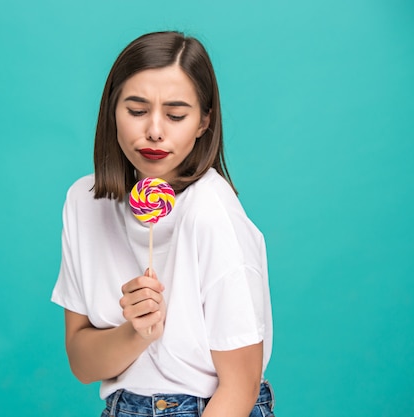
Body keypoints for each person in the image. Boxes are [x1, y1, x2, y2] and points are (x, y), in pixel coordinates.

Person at [51, 31, 274, 417]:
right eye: (137, 111)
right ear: (111, 111)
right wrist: (136, 331)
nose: (155, 130)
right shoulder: (83, 202)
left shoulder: (211, 212)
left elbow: (241, 386)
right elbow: (82, 364)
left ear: (204, 121)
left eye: (175, 115)